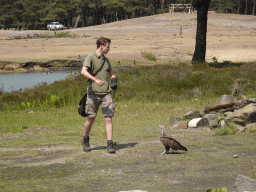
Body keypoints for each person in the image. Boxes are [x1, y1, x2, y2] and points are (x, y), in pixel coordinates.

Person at [80, 37, 117, 154]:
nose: (109, 49)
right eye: (107, 46)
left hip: (106, 93)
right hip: (93, 93)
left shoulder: (106, 60)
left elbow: (111, 74)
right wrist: (95, 80)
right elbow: (83, 71)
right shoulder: (91, 57)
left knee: (108, 117)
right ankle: (85, 140)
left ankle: (110, 144)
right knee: (91, 118)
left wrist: (114, 80)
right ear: (101, 46)